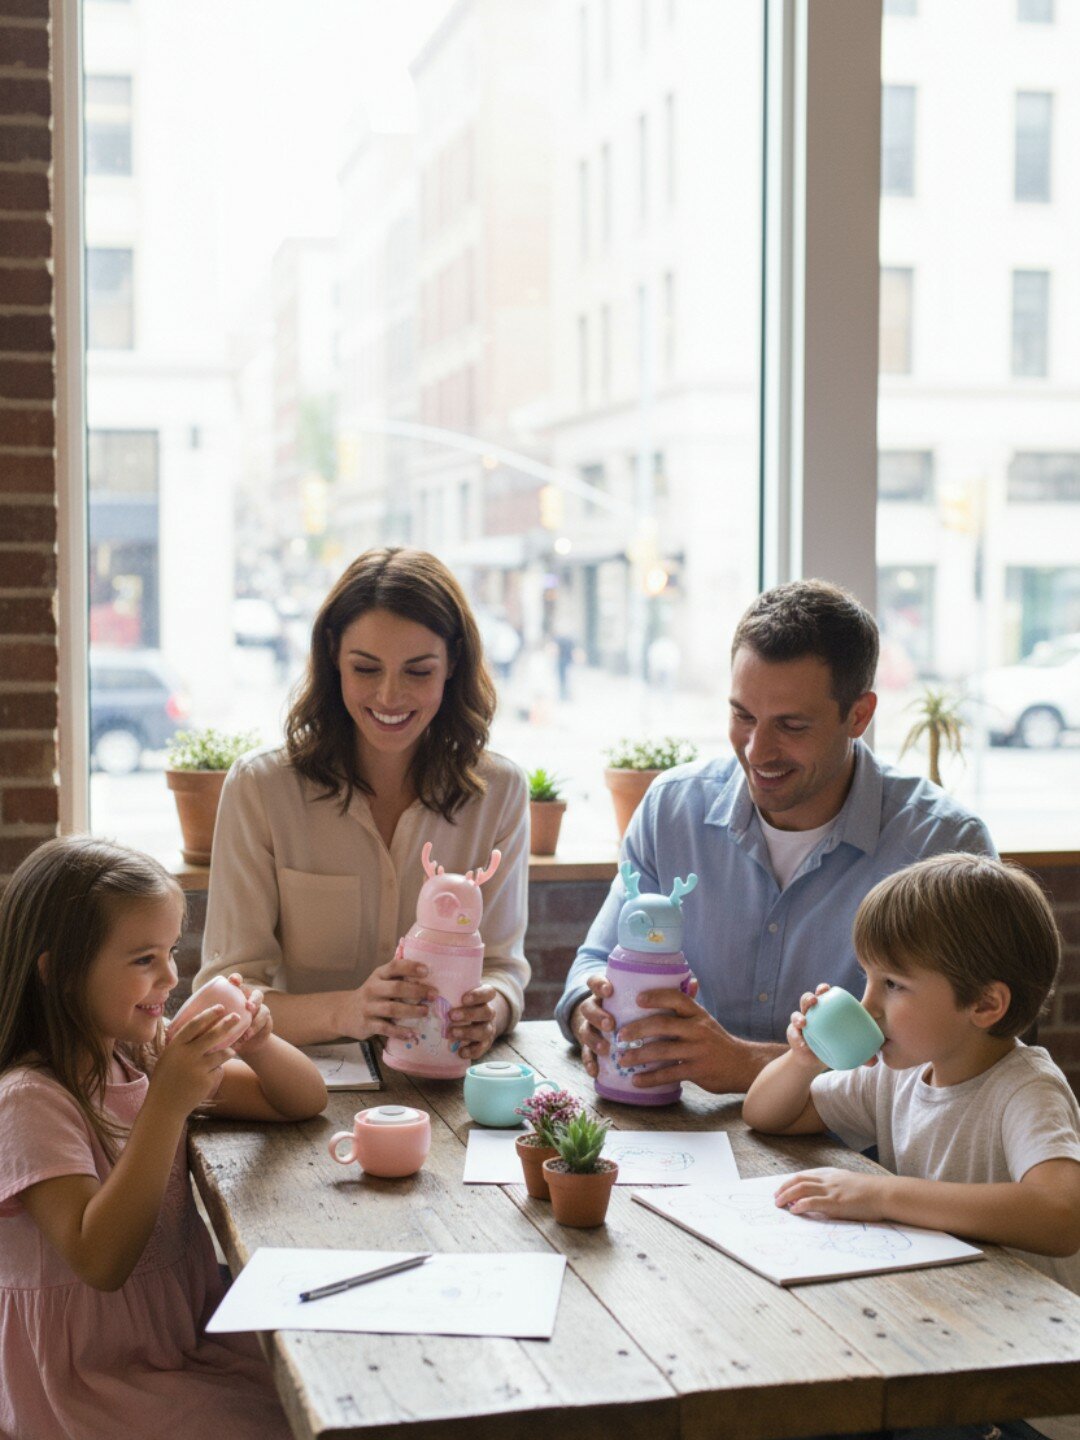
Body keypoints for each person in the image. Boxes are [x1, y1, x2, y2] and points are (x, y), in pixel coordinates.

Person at [556, 579, 995, 1097]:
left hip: (858, 1147)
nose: (757, 750)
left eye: (791, 725)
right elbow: (594, 961)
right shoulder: (670, 811)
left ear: (858, 715)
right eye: (743, 716)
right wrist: (591, 1012)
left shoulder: (943, 845)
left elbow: (962, 1062)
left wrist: (749, 1065)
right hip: (674, 1124)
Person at [743, 852, 1080, 1440]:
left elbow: (1061, 1215)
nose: (867, 1005)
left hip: (1026, 1392)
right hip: (946, 1339)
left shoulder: (1026, 1088)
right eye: (867, 978)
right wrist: (804, 1060)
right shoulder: (900, 1073)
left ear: (985, 1005)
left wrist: (882, 1195)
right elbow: (769, 1115)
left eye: (893, 985)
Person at [0, 836, 327, 1440]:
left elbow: (301, 1102)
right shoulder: (29, 1101)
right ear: (59, 973)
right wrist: (169, 1103)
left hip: (181, 1331)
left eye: (171, 951)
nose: (172, 976)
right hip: (94, 1376)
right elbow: (100, 1260)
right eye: (143, 959)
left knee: (323, 1382)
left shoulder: (139, 1055)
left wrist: (259, 1045)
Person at [198, 547, 530, 1056]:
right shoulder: (261, 789)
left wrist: (493, 1009)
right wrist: (347, 1011)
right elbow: (227, 996)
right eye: (366, 669)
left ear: (452, 663)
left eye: (418, 672)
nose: (390, 696)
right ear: (333, 655)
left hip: (442, 1080)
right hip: (301, 1083)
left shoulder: (499, 792)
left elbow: (503, 969)